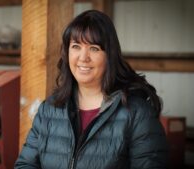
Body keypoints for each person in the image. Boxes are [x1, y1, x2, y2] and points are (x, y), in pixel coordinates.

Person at [15, 10, 168, 169]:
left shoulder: (137, 113)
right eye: (76, 46)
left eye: (94, 48)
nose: (83, 57)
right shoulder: (49, 109)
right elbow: (25, 165)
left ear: (110, 55)